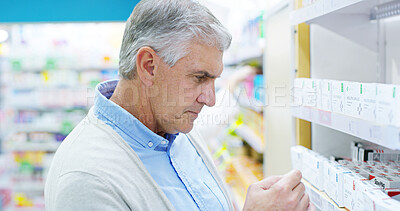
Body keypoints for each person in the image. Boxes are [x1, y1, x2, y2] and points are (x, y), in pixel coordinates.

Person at [45, 0, 314, 210]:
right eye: (199, 78)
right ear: (149, 66)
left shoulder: (174, 125)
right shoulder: (86, 180)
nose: (209, 99)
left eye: (214, 80)